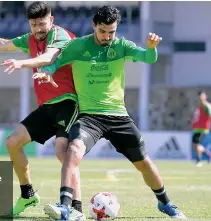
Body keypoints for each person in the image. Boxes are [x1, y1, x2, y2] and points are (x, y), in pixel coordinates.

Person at [31, 6, 186, 220]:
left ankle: (165, 203)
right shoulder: (78, 46)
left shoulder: (121, 45)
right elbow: (55, 63)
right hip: (89, 118)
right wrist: (46, 73)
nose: (107, 36)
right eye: (103, 31)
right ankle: (65, 206)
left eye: (111, 32)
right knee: (73, 150)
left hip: (119, 117)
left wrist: (151, 48)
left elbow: (148, 58)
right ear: (94, 25)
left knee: (144, 163)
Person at [0, 2, 85, 219]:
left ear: (51, 20)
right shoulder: (30, 38)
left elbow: (48, 58)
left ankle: (76, 208)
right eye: (34, 24)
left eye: (42, 24)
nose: (38, 29)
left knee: (62, 153)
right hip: (46, 107)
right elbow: (4, 43)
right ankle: (27, 194)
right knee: (12, 142)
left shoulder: (61, 35)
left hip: (68, 102)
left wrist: (21, 63)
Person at [191, 92, 211, 167]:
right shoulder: (199, 107)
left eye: (202, 96)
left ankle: (199, 160)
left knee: (196, 144)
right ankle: (209, 154)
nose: (200, 98)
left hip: (203, 129)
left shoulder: (207, 106)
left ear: (205, 97)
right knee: (195, 145)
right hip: (197, 129)